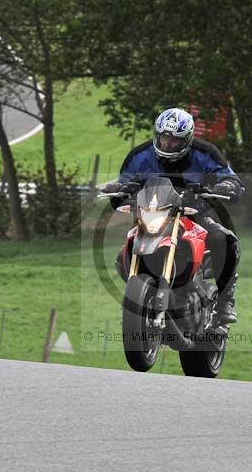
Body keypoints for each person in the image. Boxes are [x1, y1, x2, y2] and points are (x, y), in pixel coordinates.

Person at [101, 107, 243, 324]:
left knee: (224, 239)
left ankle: (225, 302)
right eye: (163, 138)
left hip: (193, 215)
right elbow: (123, 184)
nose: (167, 144)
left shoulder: (205, 153)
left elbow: (230, 179)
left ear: (187, 139)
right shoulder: (140, 155)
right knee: (123, 255)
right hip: (151, 215)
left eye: (174, 141)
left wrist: (226, 186)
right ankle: (139, 300)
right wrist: (119, 189)